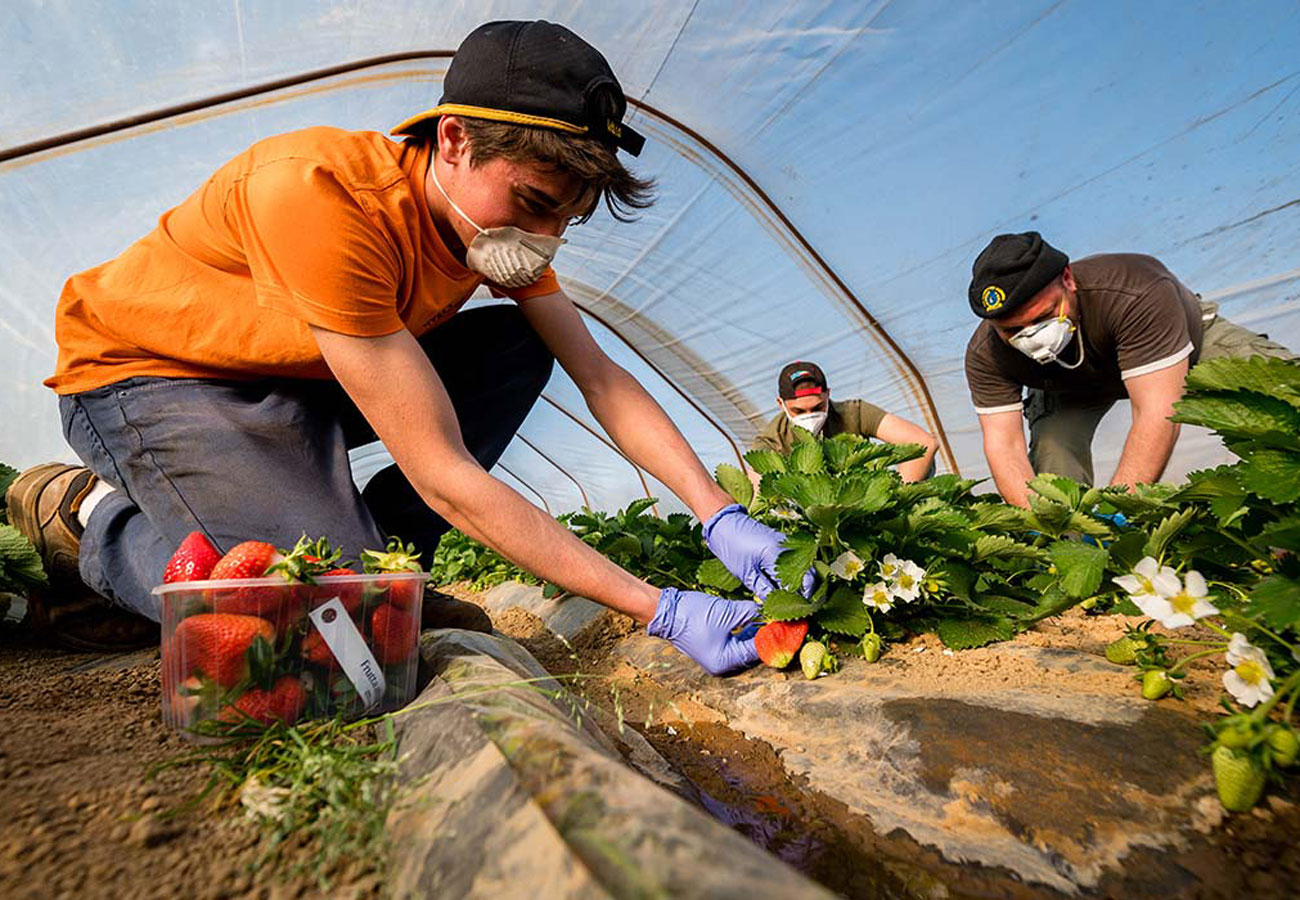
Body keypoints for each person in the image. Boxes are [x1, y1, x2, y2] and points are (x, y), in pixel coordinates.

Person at [6, 20, 810, 673]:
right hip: (152, 380)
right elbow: (445, 475)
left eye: (566, 219)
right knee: (322, 626)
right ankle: (88, 522)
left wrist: (719, 515)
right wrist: (658, 608)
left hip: (298, 376)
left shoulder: (487, 230)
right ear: (454, 139)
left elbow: (598, 376)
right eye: (532, 202)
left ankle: (391, 573)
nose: (543, 238)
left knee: (518, 349)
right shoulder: (322, 196)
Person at [964, 231, 1295, 507]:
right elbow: (1004, 445)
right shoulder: (986, 354)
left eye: (1043, 317)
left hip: (1182, 342)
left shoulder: (1135, 292)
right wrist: (1039, 521)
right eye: (1013, 331)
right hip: (1068, 383)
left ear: (1068, 280)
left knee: (1283, 399)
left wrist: (1119, 510)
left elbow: (1157, 412)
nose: (1033, 337)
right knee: (1054, 454)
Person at [750, 361, 937, 482]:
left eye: (817, 407)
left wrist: (897, 498)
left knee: (924, 466)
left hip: (861, 500)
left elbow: (923, 443)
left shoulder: (853, 413)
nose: (809, 416)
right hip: (807, 516)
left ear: (828, 394)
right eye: (798, 411)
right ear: (780, 404)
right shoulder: (772, 440)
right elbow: (758, 489)